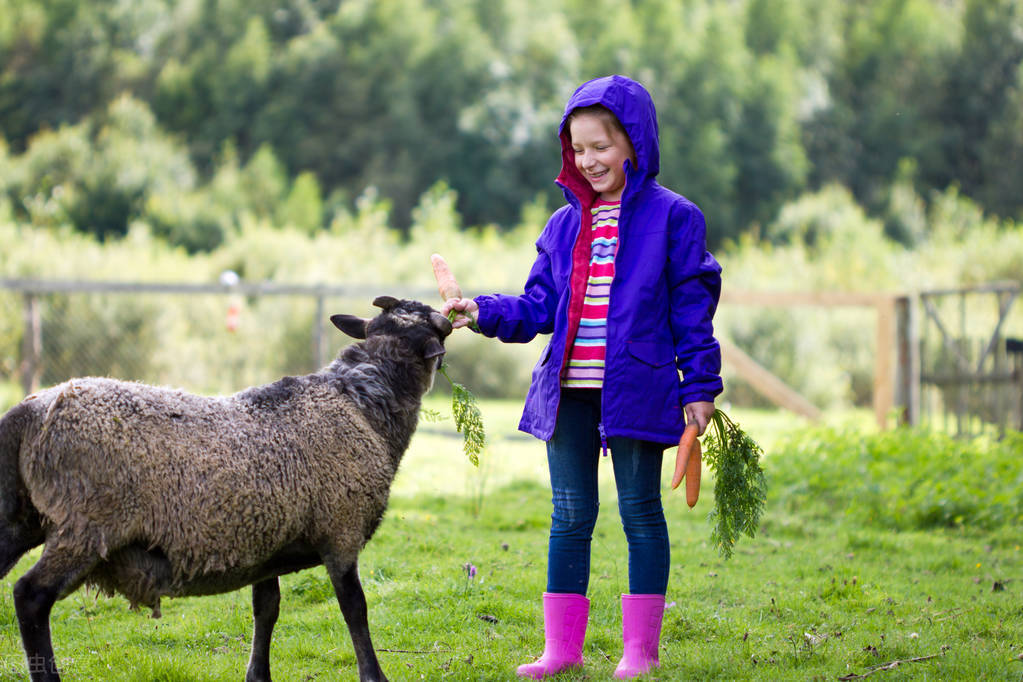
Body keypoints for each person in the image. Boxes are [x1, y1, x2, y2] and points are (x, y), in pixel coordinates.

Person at [442, 75, 722, 679]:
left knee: (640, 511)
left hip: (639, 386)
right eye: (578, 148)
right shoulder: (563, 225)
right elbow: (538, 306)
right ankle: (561, 651)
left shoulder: (676, 219)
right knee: (569, 513)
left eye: (602, 146)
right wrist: (481, 311)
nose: (589, 160)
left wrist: (699, 388)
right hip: (568, 390)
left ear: (634, 143)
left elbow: (691, 312)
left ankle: (640, 654)